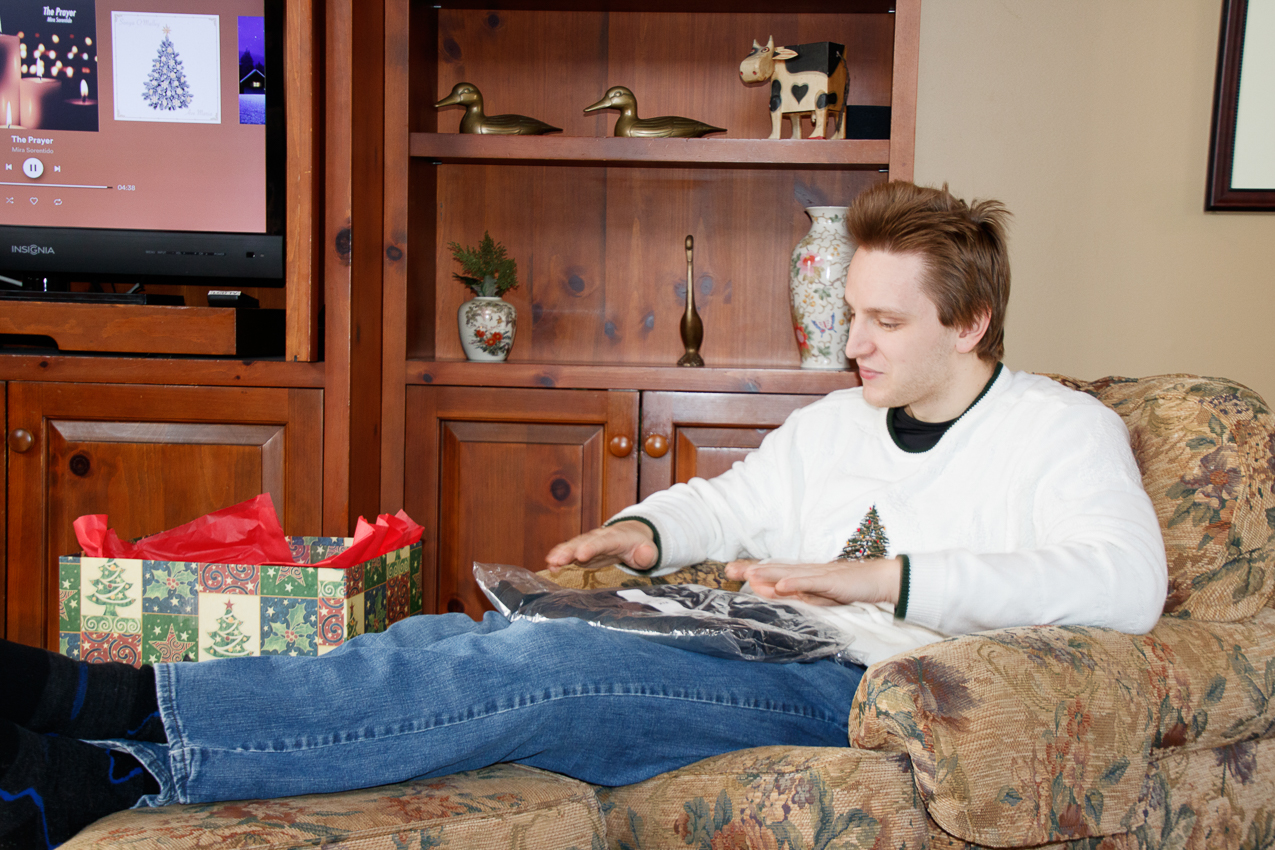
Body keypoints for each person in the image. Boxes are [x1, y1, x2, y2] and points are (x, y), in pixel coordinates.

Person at [0, 181, 1168, 849]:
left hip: (857, 689)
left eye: (884, 322)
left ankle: (108, 737)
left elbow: (1126, 584)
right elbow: (736, 501)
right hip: (756, 640)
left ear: (970, 324)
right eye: (851, 312)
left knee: (543, 673)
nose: (850, 341)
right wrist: (643, 533)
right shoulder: (840, 419)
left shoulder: (1061, 431)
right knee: (470, 643)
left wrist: (884, 580)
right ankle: (107, 748)